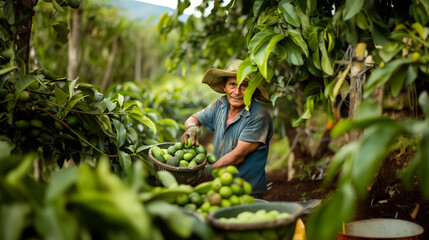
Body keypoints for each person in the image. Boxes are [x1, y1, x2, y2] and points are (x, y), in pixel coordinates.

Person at [181, 59, 273, 199]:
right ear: (224, 86)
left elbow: (238, 155)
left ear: (252, 90)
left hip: (245, 189)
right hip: (220, 184)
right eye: (232, 84)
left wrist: (207, 172)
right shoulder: (221, 104)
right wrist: (192, 128)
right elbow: (193, 118)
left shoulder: (259, 116)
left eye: (244, 86)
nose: (237, 92)